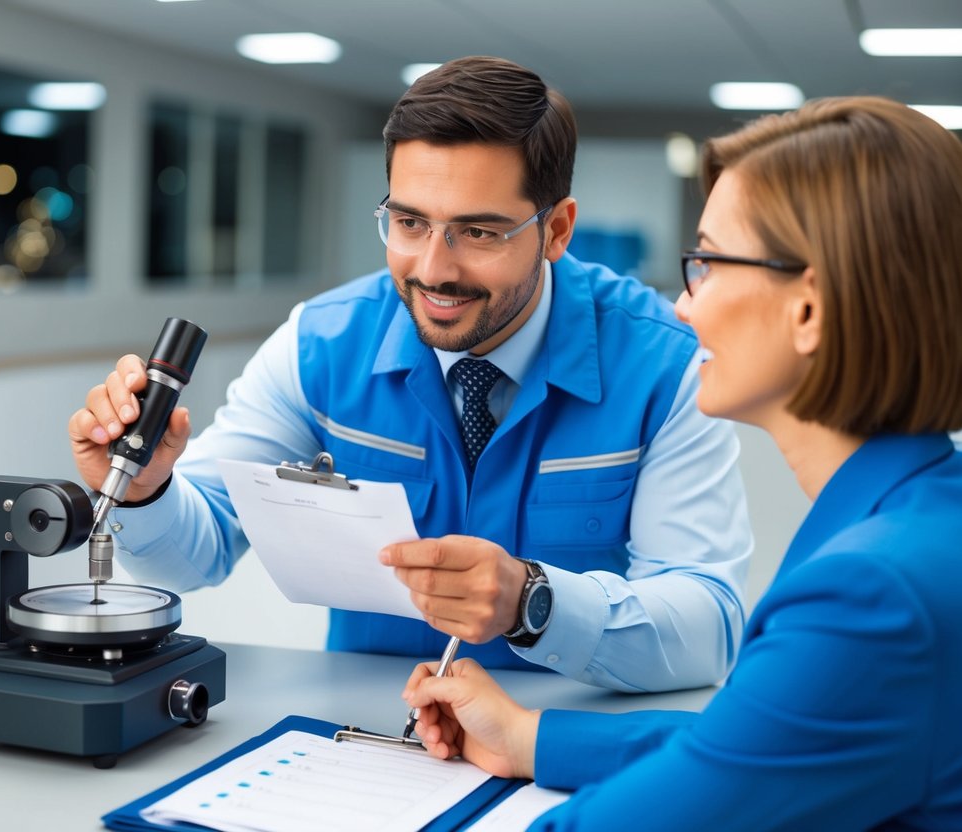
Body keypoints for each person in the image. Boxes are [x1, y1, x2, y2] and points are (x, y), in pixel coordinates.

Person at [69, 56, 753, 692]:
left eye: (479, 232)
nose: (433, 268)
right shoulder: (320, 344)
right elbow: (195, 556)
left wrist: (531, 602)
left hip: (564, 741)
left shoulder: (663, 363)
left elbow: (707, 626)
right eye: (409, 222)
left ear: (556, 230)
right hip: (363, 741)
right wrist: (145, 491)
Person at [403, 96, 962, 829]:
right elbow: (756, 742)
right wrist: (533, 739)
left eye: (706, 263)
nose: (680, 308)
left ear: (808, 309)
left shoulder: (871, 595)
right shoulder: (916, 521)